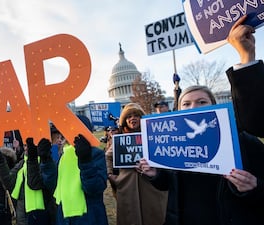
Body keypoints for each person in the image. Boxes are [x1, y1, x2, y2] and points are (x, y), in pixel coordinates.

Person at [139, 16, 264, 225]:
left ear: (215, 106)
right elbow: (169, 185)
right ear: (177, 110)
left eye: (202, 102)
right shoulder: (172, 144)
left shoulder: (243, 141)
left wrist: (255, 187)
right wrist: (155, 174)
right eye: (186, 104)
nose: (193, 107)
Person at [40, 115, 109, 225]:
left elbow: (95, 188)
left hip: (88, 217)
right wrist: (46, 161)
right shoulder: (64, 155)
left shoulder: (95, 154)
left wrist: (85, 161)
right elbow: (53, 184)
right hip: (65, 217)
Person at [109, 103, 167, 225]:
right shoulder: (119, 138)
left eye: (136, 115)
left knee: (154, 216)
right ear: (124, 120)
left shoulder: (153, 135)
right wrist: (111, 175)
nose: (132, 118)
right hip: (127, 185)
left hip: (150, 185)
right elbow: (108, 156)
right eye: (129, 116)